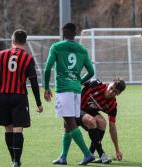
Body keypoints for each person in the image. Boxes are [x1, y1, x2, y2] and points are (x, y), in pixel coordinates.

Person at [0, 29, 43, 167]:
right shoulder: (28, 58)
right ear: (25, 41)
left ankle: (13, 160)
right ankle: (16, 161)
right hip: (19, 97)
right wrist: (38, 103)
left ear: (13, 40)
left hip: (3, 97)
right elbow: (34, 82)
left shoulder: (1, 55)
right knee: (18, 129)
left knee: (8, 129)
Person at [44, 22, 95, 165]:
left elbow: (47, 68)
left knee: (70, 122)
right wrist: (79, 81)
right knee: (67, 124)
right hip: (76, 91)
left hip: (64, 89)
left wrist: (46, 87)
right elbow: (91, 72)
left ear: (63, 34)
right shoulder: (82, 50)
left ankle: (87, 154)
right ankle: (63, 157)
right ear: (75, 34)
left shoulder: (56, 47)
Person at [76, 78, 125, 163]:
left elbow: (112, 127)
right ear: (109, 83)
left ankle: (90, 154)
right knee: (91, 121)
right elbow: (77, 81)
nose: (111, 92)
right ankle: (101, 154)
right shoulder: (95, 83)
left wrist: (117, 149)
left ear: (118, 94)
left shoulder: (112, 105)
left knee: (102, 123)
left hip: (87, 112)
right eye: (111, 88)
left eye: (115, 92)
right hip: (74, 108)